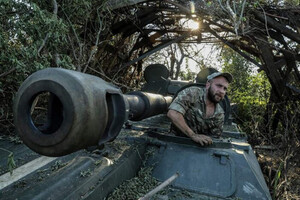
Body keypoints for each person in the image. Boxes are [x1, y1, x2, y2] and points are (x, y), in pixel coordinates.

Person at [167, 72, 233, 146]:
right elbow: (173, 113)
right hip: (174, 142)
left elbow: (214, 139)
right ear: (208, 85)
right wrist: (193, 135)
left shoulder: (219, 114)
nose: (222, 91)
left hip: (198, 149)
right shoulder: (192, 93)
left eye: (225, 88)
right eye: (219, 86)